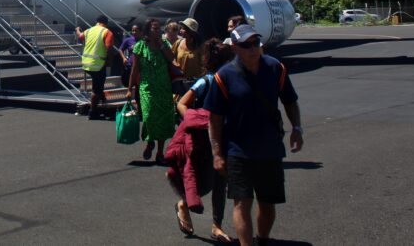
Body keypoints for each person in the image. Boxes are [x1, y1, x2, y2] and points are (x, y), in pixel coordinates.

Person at [205, 25, 303, 246]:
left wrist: (297, 129)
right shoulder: (224, 76)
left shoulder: (275, 68)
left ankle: (263, 239)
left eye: (255, 43)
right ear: (235, 48)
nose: (253, 48)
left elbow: (290, 101)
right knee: (242, 203)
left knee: (268, 204)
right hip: (238, 151)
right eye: (246, 45)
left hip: (269, 148)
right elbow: (215, 118)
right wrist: (217, 153)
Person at [173, 39, 235, 243]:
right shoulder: (206, 81)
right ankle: (183, 203)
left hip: (225, 136)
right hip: (204, 138)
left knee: (221, 183)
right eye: (230, 60)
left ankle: (217, 226)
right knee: (205, 182)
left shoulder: (232, 80)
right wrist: (196, 120)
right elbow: (182, 104)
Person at [127, 17, 176, 163]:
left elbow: (171, 58)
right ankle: (150, 142)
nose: (158, 30)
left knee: (163, 118)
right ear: (148, 30)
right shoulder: (140, 46)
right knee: (149, 117)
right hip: (147, 87)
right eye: (155, 28)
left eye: (159, 28)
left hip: (163, 87)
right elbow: (135, 69)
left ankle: (160, 153)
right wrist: (130, 89)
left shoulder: (164, 43)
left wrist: (161, 44)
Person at [76, 15, 114, 120]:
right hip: (98, 65)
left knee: (98, 83)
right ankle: (92, 112)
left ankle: (101, 97)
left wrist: (78, 30)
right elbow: (109, 48)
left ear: (97, 22)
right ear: (106, 23)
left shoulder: (89, 30)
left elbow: (80, 36)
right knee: (96, 88)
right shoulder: (107, 32)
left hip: (86, 63)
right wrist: (110, 62)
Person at [174, 17, 207, 82]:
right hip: (180, 81)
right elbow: (172, 58)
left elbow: (204, 65)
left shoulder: (200, 46)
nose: (180, 30)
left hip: (195, 83)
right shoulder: (178, 43)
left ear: (190, 32)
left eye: (183, 29)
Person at [119, 20, 143, 100]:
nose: (134, 32)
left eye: (136, 30)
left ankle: (139, 106)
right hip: (131, 67)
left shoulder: (144, 41)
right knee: (131, 85)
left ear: (141, 31)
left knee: (138, 87)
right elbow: (120, 49)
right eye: (133, 30)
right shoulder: (128, 40)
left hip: (141, 68)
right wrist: (123, 58)